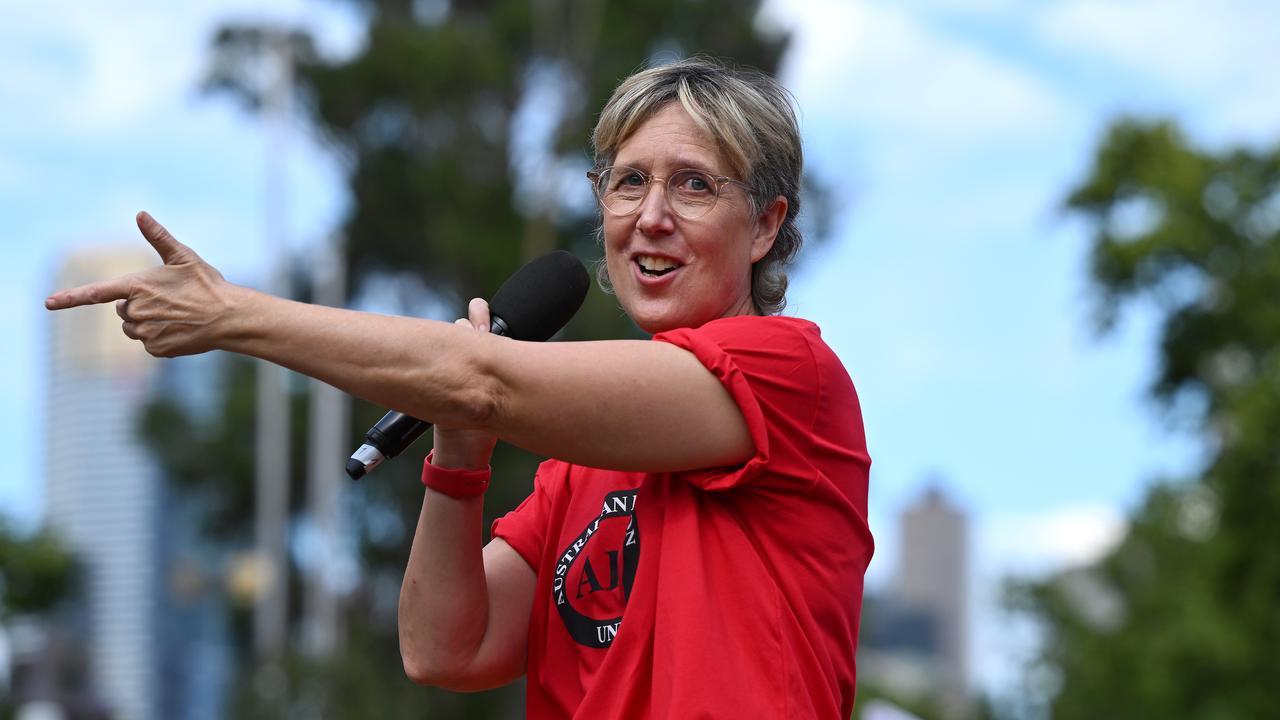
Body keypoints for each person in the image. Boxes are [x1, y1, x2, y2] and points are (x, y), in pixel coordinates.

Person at [46, 57, 872, 719]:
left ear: (766, 224)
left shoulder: (788, 374)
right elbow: (446, 650)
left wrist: (231, 314)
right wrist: (459, 460)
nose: (650, 215)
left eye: (693, 184)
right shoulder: (577, 471)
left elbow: (481, 381)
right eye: (628, 182)